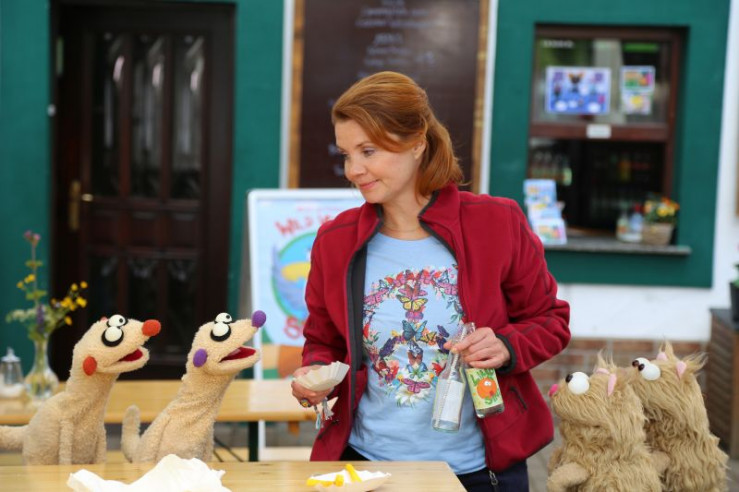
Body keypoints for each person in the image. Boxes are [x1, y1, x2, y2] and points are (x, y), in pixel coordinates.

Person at [291, 71, 570, 492]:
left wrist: (506, 346)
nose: (353, 170)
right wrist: (316, 375)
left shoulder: (497, 222)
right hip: (365, 468)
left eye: (368, 151)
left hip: (478, 472)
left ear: (417, 142)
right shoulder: (335, 240)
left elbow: (550, 320)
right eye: (346, 154)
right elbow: (322, 339)